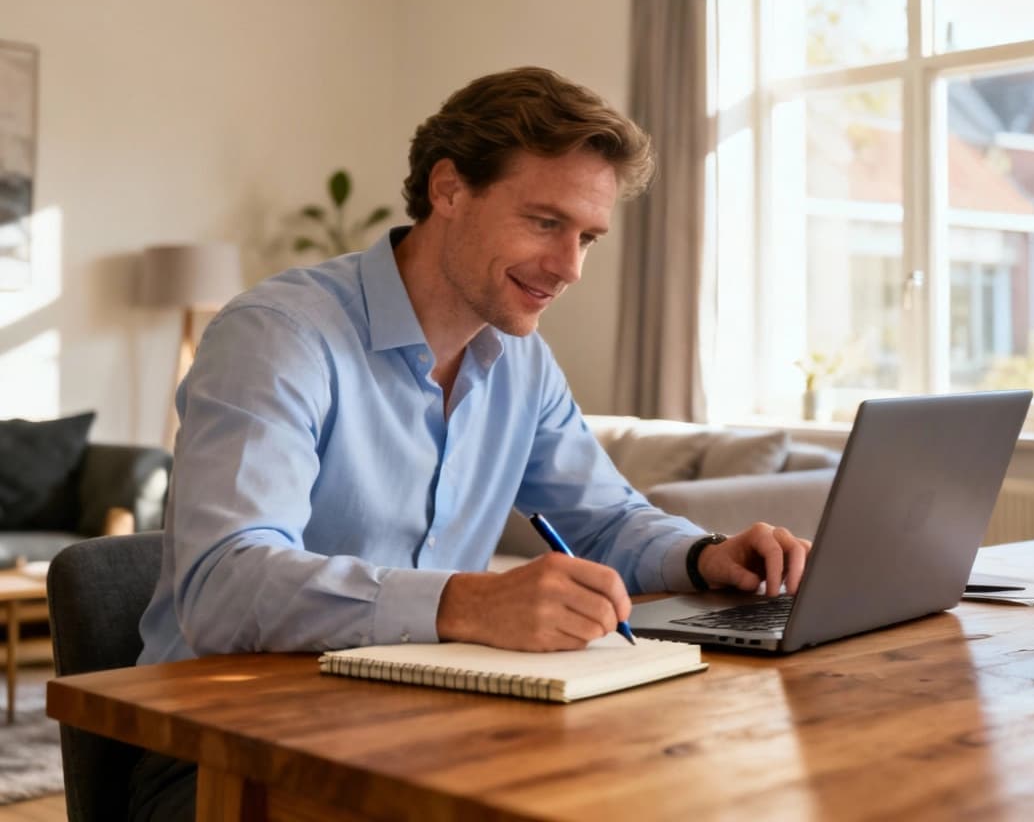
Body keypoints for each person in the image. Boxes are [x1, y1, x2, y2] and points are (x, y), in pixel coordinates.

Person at [128, 67, 809, 820]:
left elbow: (606, 519)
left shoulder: (520, 359)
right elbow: (225, 586)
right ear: (448, 190)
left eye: (586, 236)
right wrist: (466, 602)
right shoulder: (279, 336)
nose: (570, 268)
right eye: (545, 222)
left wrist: (704, 555)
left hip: (426, 722)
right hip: (227, 751)